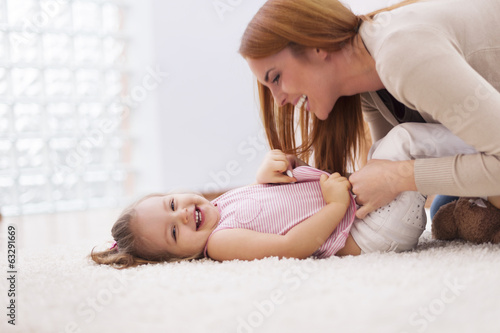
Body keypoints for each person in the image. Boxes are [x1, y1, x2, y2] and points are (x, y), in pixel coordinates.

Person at [239, 0, 500, 221]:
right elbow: (383, 175)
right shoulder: (368, 86)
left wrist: (400, 176)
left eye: (275, 78)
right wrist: (308, 181)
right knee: (446, 205)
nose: (279, 101)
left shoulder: (401, 54)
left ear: (316, 47)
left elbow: (395, 174)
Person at [91, 123, 476, 268]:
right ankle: (488, 149)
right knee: (403, 141)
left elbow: (269, 206)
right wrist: (337, 204)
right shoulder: (221, 242)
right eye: (174, 233)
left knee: (385, 153)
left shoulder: (219, 208)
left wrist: (268, 176)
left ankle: (473, 191)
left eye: (172, 205)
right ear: (179, 257)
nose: (182, 215)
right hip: (369, 232)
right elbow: (291, 245)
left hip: (365, 211)